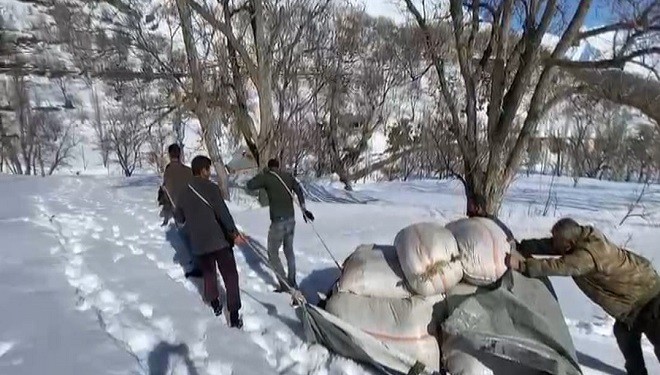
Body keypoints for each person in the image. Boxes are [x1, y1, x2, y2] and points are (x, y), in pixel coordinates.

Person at [507, 218, 660, 374]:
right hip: (629, 307)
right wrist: (522, 246)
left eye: (558, 242)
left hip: (648, 297)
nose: (554, 244)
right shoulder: (579, 240)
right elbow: (553, 245)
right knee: (625, 335)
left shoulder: (588, 255)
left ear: (569, 243)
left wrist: (522, 265)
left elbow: (562, 266)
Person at [174, 155, 246, 328]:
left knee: (209, 275)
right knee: (230, 275)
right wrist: (234, 233)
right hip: (219, 240)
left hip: (199, 243)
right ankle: (234, 315)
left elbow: (179, 218)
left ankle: (215, 304)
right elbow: (223, 213)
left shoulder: (183, 192)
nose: (210, 172)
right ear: (203, 170)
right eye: (209, 168)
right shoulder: (211, 188)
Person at [246, 158, 314, 292]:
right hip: (291, 219)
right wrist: (303, 208)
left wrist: (262, 173)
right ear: (278, 166)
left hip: (278, 221)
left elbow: (250, 185)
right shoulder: (287, 177)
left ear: (269, 167)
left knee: (272, 252)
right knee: (289, 250)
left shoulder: (267, 177)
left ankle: (285, 284)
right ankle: (292, 280)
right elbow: (299, 190)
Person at [158, 144, 202, 279]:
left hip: (178, 209)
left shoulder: (168, 171)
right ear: (180, 154)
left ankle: (198, 264)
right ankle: (199, 260)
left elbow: (166, 189)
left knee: (186, 236)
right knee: (195, 235)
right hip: (193, 207)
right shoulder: (188, 171)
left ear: (170, 155)